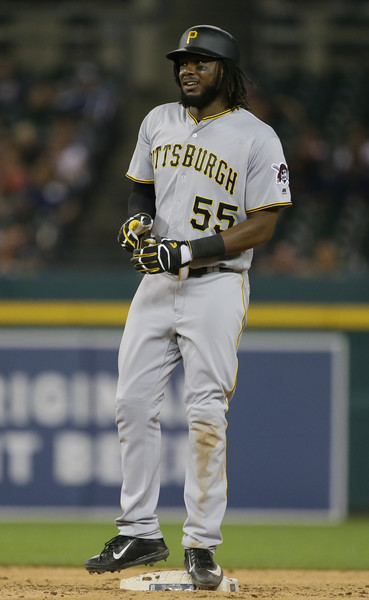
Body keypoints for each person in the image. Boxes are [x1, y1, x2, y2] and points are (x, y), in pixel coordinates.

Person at [85, 24, 292, 589]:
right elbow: (142, 188)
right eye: (183, 61)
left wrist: (190, 249)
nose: (187, 70)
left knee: (204, 414)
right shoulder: (158, 120)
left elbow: (265, 222)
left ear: (224, 70)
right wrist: (136, 219)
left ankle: (201, 544)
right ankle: (140, 530)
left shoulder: (257, 136)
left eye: (200, 61)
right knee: (130, 402)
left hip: (217, 285)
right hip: (157, 285)